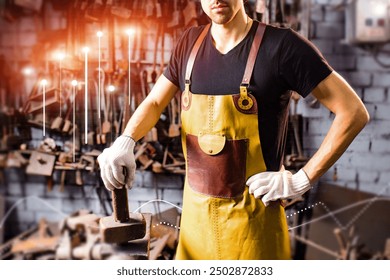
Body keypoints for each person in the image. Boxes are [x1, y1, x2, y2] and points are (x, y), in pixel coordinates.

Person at [97, 0, 369, 260]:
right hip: (195, 229)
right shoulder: (189, 44)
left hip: (254, 231)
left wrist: (303, 179)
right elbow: (156, 101)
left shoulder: (282, 46)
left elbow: (353, 112)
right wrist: (125, 140)